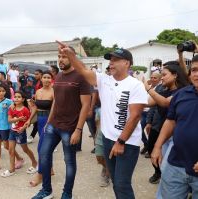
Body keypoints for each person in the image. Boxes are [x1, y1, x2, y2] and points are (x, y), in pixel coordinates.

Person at [57, 41, 147, 199]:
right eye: (110, 60)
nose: (111, 63)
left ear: (127, 63)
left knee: (122, 183)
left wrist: (121, 141)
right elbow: (83, 69)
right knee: (115, 180)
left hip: (127, 143)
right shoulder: (104, 80)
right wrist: (70, 54)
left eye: (115, 60)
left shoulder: (136, 85)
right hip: (107, 139)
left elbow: (135, 116)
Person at [32, 45, 91, 199]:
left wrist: (78, 130)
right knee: (43, 155)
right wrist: (48, 122)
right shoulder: (57, 77)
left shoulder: (81, 76)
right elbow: (56, 101)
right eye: (59, 56)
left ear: (72, 57)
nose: (60, 59)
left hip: (70, 128)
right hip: (53, 125)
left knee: (69, 162)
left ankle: (67, 193)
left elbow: (86, 105)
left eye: (64, 56)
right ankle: (47, 190)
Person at [151, 55, 198, 198]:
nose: (197, 74)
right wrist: (157, 146)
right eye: (194, 70)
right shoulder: (182, 94)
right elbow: (170, 121)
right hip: (176, 164)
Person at [144, 62, 189, 185]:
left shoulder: (183, 91)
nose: (161, 77)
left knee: (168, 167)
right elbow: (149, 103)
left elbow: (165, 103)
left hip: (176, 134)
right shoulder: (161, 88)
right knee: (160, 161)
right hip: (162, 130)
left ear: (175, 75)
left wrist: (148, 88)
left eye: (164, 74)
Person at [0, 84, 24, 172]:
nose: (1, 92)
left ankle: (19, 159)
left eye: (3, 91)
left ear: (5, 92)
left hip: (6, 128)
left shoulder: (9, 101)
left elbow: (15, 110)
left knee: (7, 147)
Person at [26, 70, 54, 187]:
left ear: (51, 79)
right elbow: (36, 108)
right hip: (40, 121)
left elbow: (54, 109)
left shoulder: (54, 92)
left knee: (41, 148)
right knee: (46, 147)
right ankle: (50, 168)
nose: (47, 79)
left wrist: (49, 122)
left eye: (49, 77)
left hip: (49, 121)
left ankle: (40, 174)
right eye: (45, 77)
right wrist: (29, 119)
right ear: (41, 79)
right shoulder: (38, 91)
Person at [0, 91, 37, 177]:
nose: (16, 98)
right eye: (15, 96)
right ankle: (12, 169)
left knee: (25, 149)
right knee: (11, 150)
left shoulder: (25, 110)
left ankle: (35, 163)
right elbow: (9, 120)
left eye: (19, 97)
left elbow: (28, 123)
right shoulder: (11, 108)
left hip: (21, 133)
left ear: (23, 99)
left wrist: (23, 128)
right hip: (13, 132)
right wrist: (18, 119)